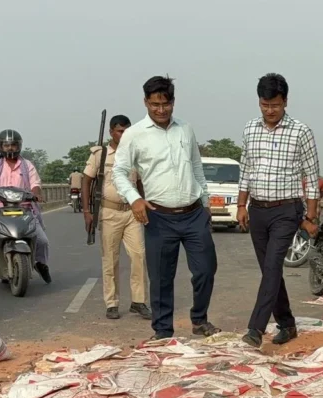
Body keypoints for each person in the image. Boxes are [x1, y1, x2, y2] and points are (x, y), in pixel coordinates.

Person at [112, 75, 221, 340]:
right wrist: (134, 198)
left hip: (194, 213)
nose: (160, 110)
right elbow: (119, 171)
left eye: (165, 103)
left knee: (206, 268)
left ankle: (199, 319)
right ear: (145, 102)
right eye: (154, 104)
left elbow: (196, 167)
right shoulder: (134, 135)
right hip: (159, 216)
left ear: (173, 102)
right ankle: (162, 331)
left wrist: (205, 203)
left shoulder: (186, 129)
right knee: (161, 277)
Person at [237, 73, 320, 348]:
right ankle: (287, 323)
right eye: (264, 105)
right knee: (269, 271)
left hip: (287, 210)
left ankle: (255, 329)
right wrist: (240, 205)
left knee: (273, 266)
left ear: (285, 101)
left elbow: (312, 175)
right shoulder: (250, 129)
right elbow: (246, 170)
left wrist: (310, 217)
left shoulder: (301, 132)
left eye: (275, 105)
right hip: (258, 210)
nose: (270, 111)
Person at [82, 115, 151, 321]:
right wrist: (87, 212)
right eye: (121, 131)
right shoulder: (100, 155)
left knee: (139, 255)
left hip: (131, 212)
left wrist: (144, 204)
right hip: (109, 212)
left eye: (127, 130)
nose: (124, 134)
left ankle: (138, 301)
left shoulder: (134, 154)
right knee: (110, 259)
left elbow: (139, 183)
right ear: (112, 131)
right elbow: (86, 181)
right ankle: (111, 303)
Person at [0, 129, 52, 283]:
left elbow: (35, 183)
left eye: (13, 145)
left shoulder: (27, 165)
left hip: (23, 206)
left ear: (19, 146)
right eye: (6, 145)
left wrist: (36, 193)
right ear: (0, 146)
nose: (10, 148)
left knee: (42, 240)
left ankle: (41, 263)